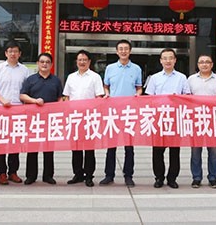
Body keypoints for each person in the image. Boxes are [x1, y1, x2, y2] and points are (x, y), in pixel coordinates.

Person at [145, 48, 191, 189]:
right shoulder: (154, 78)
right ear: (160, 61)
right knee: (157, 151)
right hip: (159, 119)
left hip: (175, 118)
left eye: (170, 58)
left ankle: (172, 178)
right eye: (165, 58)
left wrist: (178, 99)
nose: (168, 61)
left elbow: (187, 96)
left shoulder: (182, 78)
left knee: (174, 151)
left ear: (175, 60)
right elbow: (149, 98)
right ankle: (159, 177)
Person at [101, 39, 142, 187]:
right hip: (113, 112)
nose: (123, 51)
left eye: (126, 49)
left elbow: (139, 87)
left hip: (129, 112)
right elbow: (106, 86)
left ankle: (128, 175)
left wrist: (138, 94)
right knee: (111, 146)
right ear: (117, 51)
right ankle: (109, 175)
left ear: (130, 51)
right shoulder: (110, 68)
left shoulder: (136, 69)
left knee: (129, 147)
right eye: (121, 49)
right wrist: (106, 93)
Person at [0, 41, 31, 185]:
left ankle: (13, 172)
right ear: (6, 53)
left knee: (15, 142)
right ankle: (1, 172)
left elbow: (27, 90)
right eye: (10, 51)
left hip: (18, 110)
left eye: (15, 51)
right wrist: (2, 100)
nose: (13, 54)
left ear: (20, 54)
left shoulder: (25, 70)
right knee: (0, 142)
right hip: (1, 108)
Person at [20, 52, 63, 185]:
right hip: (33, 119)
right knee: (32, 148)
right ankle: (31, 176)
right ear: (38, 64)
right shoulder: (30, 79)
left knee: (49, 148)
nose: (45, 64)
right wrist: (34, 101)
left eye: (47, 62)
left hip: (50, 119)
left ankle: (48, 176)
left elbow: (60, 98)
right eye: (42, 62)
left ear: (51, 64)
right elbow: (22, 96)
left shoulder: (56, 80)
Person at [63, 50, 105, 187]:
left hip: (89, 118)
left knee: (89, 149)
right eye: (80, 60)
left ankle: (89, 176)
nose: (82, 62)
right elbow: (66, 96)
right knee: (75, 148)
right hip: (74, 117)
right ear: (76, 61)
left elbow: (99, 97)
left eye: (84, 60)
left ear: (89, 62)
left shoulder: (95, 77)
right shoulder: (71, 77)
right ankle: (78, 174)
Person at [187, 54, 216, 188]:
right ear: (198, 65)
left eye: (207, 62)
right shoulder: (191, 79)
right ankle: (196, 177)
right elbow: (186, 98)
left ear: (212, 64)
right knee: (195, 151)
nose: (204, 64)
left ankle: (213, 177)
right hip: (196, 120)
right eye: (201, 62)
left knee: (213, 151)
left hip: (212, 120)